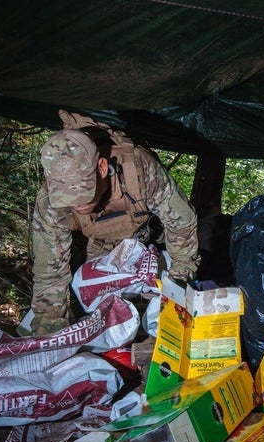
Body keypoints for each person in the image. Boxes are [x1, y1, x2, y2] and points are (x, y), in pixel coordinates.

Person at [30, 110, 200, 335]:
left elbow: (181, 223)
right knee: (93, 303)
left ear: (102, 168)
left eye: (83, 191)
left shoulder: (139, 169)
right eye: (68, 196)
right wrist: (49, 331)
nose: (78, 203)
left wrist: (177, 284)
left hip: (147, 238)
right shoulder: (49, 203)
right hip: (99, 245)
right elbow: (49, 273)